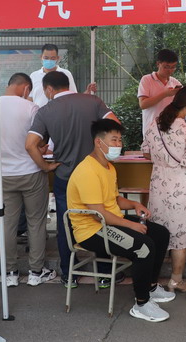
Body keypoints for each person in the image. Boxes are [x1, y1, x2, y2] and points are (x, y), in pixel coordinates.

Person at [67, 119, 175, 322]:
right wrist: (130, 224)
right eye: (114, 140)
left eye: (119, 140)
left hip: (109, 221)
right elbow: (98, 213)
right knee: (143, 247)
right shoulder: (87, 171)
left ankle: (151, 287)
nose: (118, 144)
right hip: (91, 230)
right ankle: (141, 304)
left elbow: (114, 199)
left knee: (160, 234)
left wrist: (134, 205)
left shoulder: (109, 167)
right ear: (99, 142)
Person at [25, 70, 120, 286]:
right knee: (102, 218)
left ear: (49, 89)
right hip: (97, 174)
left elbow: (30, 145)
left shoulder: (46, 111)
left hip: (66, 177)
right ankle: (105, 273)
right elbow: (115, 125)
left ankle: (69, 274)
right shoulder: (94, 102)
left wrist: (45, 166)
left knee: (66, 224)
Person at [0, 73, 56, 287]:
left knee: (7, 223)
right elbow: (38, 142)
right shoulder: (31, 108)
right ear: (25, 88)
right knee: (36, 222)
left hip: (4, 175)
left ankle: (10, 273)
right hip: (31, 172)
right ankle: (36, 272)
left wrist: (3, 143)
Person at [141, 86, 186, 293]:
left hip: (159, 186)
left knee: (160, 232)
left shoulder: (154, 125)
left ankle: (152, 279)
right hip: (182, 187)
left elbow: (146, 153)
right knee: (180, 237)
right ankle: (176, 281)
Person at [138, 49, 182, 138]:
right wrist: (165, 94)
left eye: (173, 67)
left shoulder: (176, 83)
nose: (170, 70)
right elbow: (143, 104)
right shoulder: (146, 80)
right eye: (166, 67)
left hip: (171, 131)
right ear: (158, 64)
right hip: (151, 132)